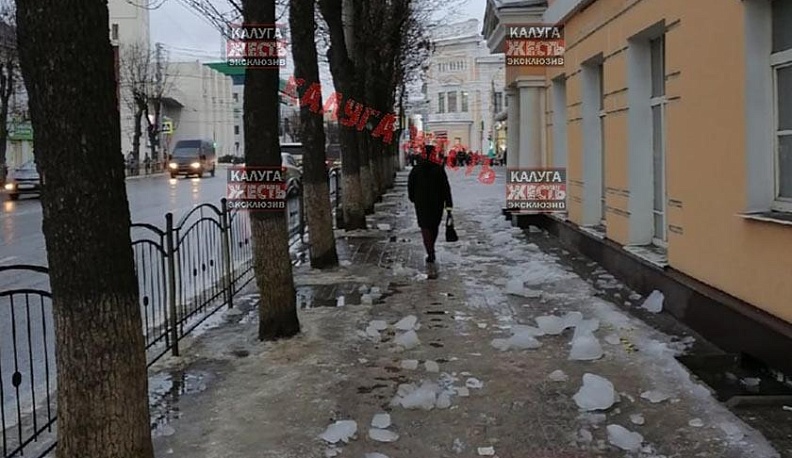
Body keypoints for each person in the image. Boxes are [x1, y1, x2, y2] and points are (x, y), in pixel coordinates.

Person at [408, 144, 453, 276]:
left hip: (421, 203)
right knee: (434, 226)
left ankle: (430, 251)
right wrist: (448, 204)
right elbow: (446, 188)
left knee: (424, 226)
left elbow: (410, 186)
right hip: (436, 203)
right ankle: (431, 249)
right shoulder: (438, 170)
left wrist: (413, 198)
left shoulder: (416, 170)